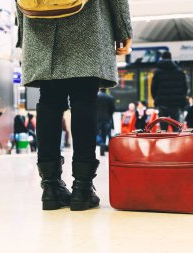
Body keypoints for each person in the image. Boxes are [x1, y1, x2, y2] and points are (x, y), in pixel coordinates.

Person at [16, 0, 133, 211]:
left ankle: (50, 188)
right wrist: (122, 27)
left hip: (38, 20)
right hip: (87, 20)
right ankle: (83, 188)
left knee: (49, 100)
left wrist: (23, 28)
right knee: (84, 99)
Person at [151, 51, 188, 131]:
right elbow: (185, 88)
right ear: (171, 58)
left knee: (163, 130)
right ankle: (176, 142)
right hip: (175, 104)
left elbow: (153, 88)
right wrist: (180, 100)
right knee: (176, 129)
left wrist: (157, 99)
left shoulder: (157, 72)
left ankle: (164, 142)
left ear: (162, 58)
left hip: (162, 104)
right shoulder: (179, 71)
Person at [97, 89, 115, 156]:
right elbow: (113, 109)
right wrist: (109, 115)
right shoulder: (110, 97)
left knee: (98, 133)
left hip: (97, 119)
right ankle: (103, 147)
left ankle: (102, 144)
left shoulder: (96, 97)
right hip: (107, 119)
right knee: (105, 133)